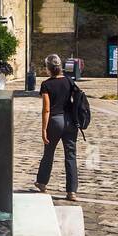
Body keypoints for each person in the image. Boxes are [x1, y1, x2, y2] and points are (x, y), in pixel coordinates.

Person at [35, 54, 78, 201]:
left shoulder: (46, 84)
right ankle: (71, 191)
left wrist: (43, 129)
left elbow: (46, 109)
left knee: (49, 153)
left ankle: (41, 182)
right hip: (70, 122)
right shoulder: (69, 81)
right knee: (71, 156)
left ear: (48, 68)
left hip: (55, 122)